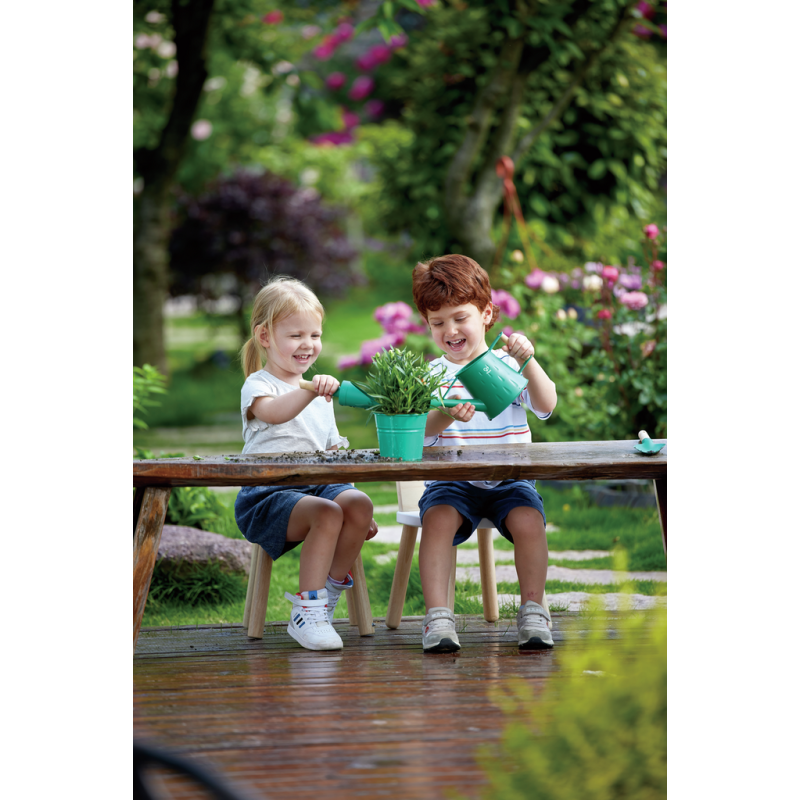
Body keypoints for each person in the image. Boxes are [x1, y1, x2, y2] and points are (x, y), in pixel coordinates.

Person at [411, 254, 558, 653]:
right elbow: (419, 436)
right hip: (452, 483)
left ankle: (533, 609)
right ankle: (438, 616)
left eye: (460, 318)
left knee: (529, 521)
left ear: (487, 313)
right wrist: (442, 413)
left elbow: (546, 406)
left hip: (510, 478)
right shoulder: (431, 376)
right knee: (438, 521)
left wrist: (528, 360)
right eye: (438, 322)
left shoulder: (506, 364)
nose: (450, 330)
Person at [234, 277, 378, 651]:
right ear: (265, 337)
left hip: (318, 486)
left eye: (314, 335)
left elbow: (333, 455)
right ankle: (307, 610)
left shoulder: (318, 395)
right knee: (327, 513)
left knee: (357, 504)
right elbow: (276, 414)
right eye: (296, 335)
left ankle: (324, 599)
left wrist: (350, 493)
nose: (308, 344)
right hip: (267, 495)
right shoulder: (259, 385)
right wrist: (309, 390)